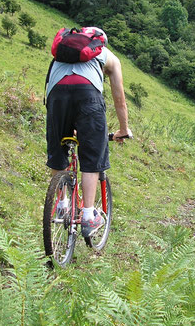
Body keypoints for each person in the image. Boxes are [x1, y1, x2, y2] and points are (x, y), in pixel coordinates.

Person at [45, 27, 132, 238]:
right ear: (100, 42)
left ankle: (62, 204)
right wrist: (123, 129)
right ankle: (87, 215)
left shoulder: (62, 52)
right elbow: (119, 99)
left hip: (56, 97)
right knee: (92, 156)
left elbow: (50, 87)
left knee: (58, 152)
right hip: (88, 96)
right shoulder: (107, 56)